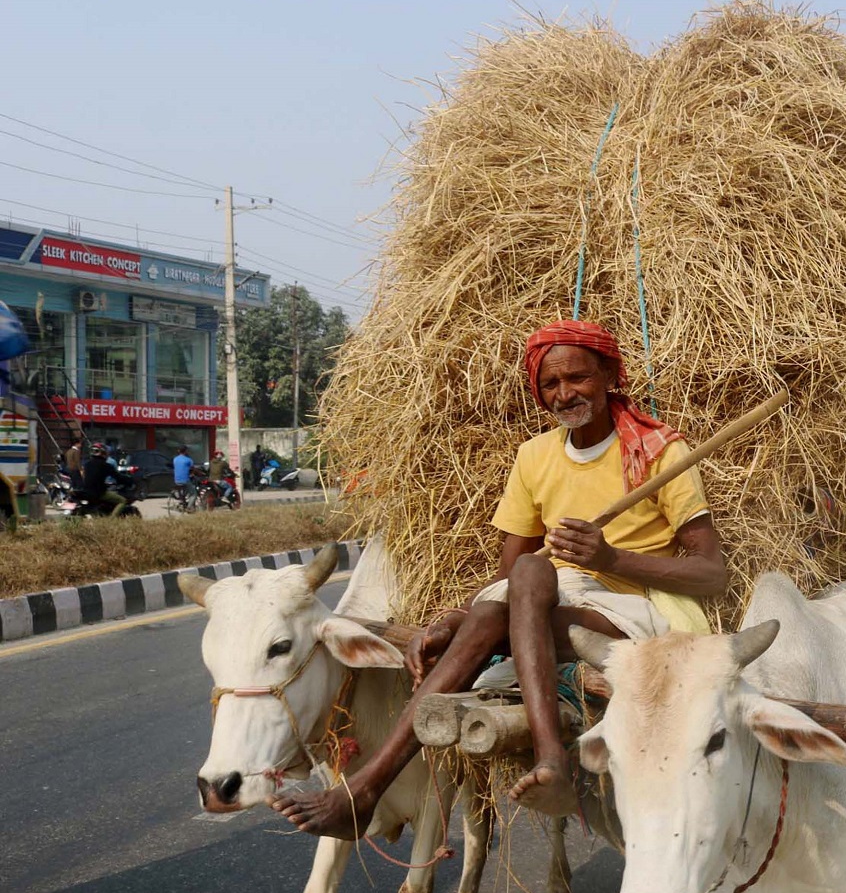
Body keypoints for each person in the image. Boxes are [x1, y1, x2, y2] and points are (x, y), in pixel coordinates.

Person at [272, 319, 727, 837]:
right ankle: (372, 788)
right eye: (550, 385)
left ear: (608, 374)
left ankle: (539, 758)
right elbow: (509, 576)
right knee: (506, 593)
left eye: (577, 378)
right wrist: (456, 619)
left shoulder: (660, 453)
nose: (564, 394)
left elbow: (711, 573)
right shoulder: (534, 456)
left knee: (529, 576)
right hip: (544, 606)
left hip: (629, 610)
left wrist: (610, 558)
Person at [79, 443, 126, 517]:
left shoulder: (87, 464)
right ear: (104, 453)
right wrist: (129, 480)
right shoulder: (105, 465)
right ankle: (112, 520)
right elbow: (118, 477)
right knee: (122, 500)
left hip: (86, 491)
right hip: (99, 493)